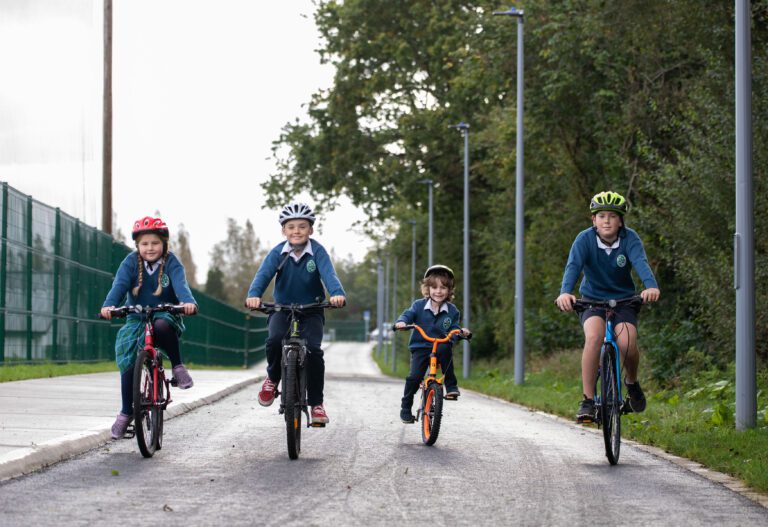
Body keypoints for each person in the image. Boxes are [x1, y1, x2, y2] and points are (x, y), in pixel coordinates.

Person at [555, 191, 660, 423]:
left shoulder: (630, 238)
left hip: (624, 301)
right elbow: (573, 266)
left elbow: (641, 263)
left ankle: (631, 382)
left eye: (612, 216)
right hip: (592, 300)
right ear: (593, 220)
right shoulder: (584, 239)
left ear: (620, 220)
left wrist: (650, 287)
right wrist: (565, 292)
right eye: (601, 215)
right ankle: (588, 401)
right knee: (594, 337)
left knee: (628, 343)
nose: (606, 220)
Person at [245, 202, 346, 425]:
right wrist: (254, 295)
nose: (297, 231)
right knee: (273, 340)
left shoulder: (317, 252)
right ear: (284, 231)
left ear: (310, 230)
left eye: (302, 226)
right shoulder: (278, 253)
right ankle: (272, 378)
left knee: (313, 351)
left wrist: (337, 294)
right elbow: (263, 275)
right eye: (291, 227)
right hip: (282, 308)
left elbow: (329, 275)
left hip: (312, 309)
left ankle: (317, 404)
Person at [101, 216, 198, 439]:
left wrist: (187, 302)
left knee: (163, 326)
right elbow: (119, 286)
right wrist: (109, 306)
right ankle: (126, 413)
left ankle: (178, 366)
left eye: (155, 243)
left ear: (164, 243)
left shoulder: (171, 262)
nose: (150, 248)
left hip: (165, 312)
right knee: (127, 356)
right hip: (136, 316)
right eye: (144, 244)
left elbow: (181, 285)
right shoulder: (130, 263)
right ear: (137, 245)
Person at [394, 265, 471, 424]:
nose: (438, 291)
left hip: (440, 345)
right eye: (434, 287)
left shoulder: (452, 310)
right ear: (427, 289)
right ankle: (406, 407)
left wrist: (460, 332)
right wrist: (402, 322)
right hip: (420, 346)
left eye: (443, 287)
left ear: (449, 291)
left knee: (446, 349)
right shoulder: (418, 305)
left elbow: (453, 327)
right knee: (414, 376)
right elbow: (408, 315)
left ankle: (451, 386)